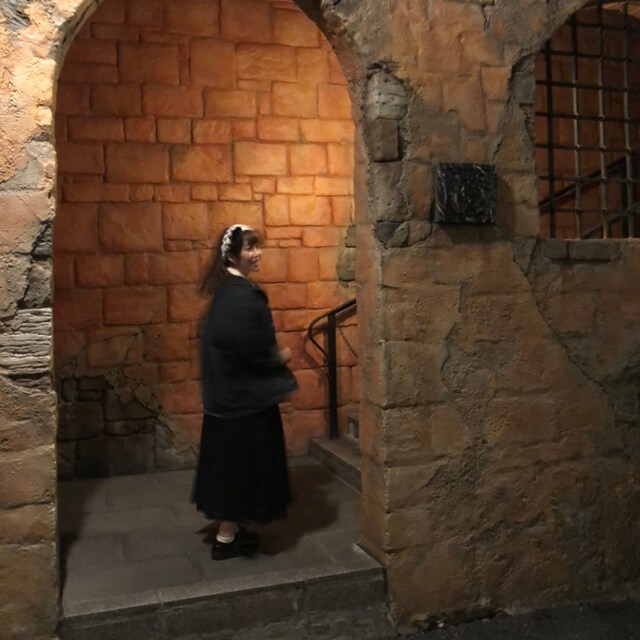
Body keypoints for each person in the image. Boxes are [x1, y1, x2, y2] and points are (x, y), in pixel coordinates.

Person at [193, 223, 297, 560]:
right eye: (250, 248)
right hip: (243, 403)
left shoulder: (227, 291)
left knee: (233, 470)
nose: (257, 253)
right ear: (232, 255)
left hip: (229, 399)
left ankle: (232, 532)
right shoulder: (242, 296)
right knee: (240, 472)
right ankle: (226, 539)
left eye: (256, 246)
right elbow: (251, 346)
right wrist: (278, 357)